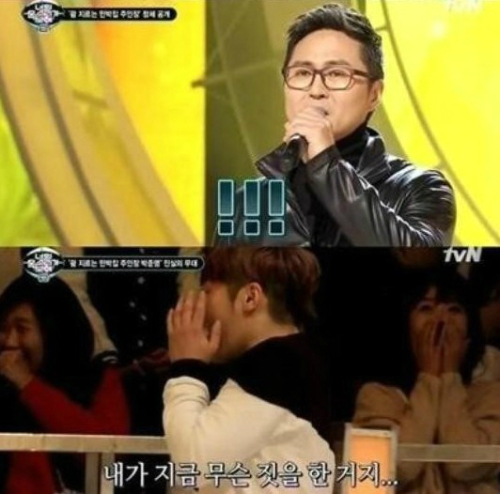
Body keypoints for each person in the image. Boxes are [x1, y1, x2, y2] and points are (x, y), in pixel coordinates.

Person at [216, 3, 455, 247]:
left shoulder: (420, 188)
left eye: (336, 74)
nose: (316, 90)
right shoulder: (248, 203)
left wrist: (325, 164)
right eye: (302, 73)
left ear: (374, 94)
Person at [162, 247, 335, 493]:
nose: (200, 305)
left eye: (207, 292)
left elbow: (193, 463)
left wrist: (186, 367)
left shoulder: (277, 362)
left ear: (250, 297)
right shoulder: (291, 358)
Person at [353, 270, 500, 493]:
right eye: (426, 308)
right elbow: (391, 470)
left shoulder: (491, 397)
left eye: (454, 309)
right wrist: (429, 378)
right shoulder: (376, 397)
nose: (441, 320)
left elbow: (465, 464)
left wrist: (449, 377)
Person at [0, 275, 130, 494]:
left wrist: (29, 385)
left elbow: (107, 452)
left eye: (21, 329)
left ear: (52, 329)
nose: (10, 341)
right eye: (3, 329)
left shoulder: (99, 379)